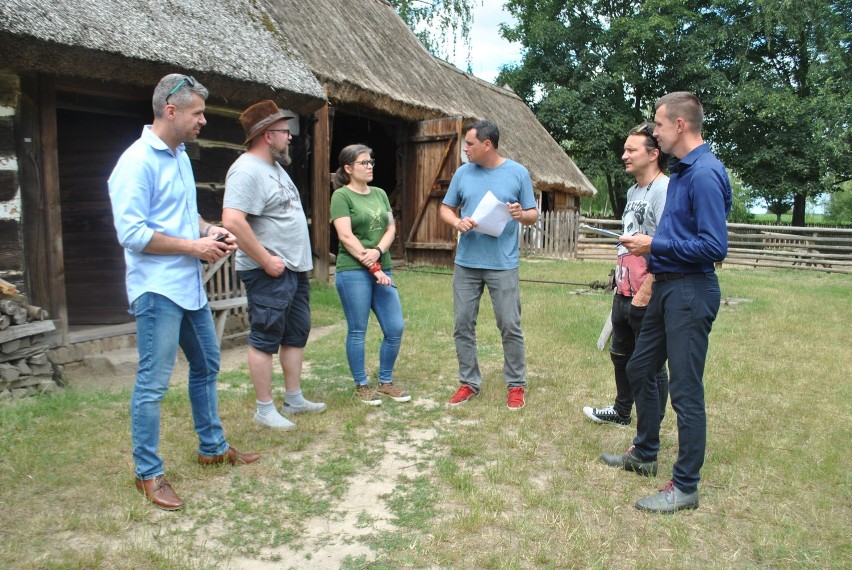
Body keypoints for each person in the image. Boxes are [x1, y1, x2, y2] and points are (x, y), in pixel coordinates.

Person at [108, 74, 260, 511]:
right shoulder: (135, 162)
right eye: (197, 113)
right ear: (170, 111)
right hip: (156, 289)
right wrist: (194, 247)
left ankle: (211, 448)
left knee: (207, 363)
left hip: (188, 286)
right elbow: (132, 233)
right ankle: (147, 474)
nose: (204, 121)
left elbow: (185, 215)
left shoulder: (179, 156)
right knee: (154, 383)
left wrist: (209, 230)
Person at [600, 92, 731, 513]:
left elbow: (714, 245)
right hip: (668, 285)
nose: (653, 131)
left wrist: (653, 243)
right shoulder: (682, 172)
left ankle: (686, 487)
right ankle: (644, 454)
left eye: (657, 124)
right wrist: (652, 258)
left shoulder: (706, 173)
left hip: (692, 290)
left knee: (686, 390)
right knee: (640, 366)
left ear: (679, 125)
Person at [222, 100, 326, 430]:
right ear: (268, 135)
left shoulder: (275, 167)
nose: (291, 137)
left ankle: (293, 399)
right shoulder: (246, 169)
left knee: (295, 333)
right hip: (267, 270)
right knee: (265, 336)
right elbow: (233, 221)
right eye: (285, 131)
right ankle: (264, 409)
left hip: (291, 268)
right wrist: (265, 259)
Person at [439, 120, 539, 410]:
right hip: (466, 263)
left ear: (487, 144)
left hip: (502, 264)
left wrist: (522, 214)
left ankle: (516, 385)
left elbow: (533, 214)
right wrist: (457, 221)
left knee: (509, 324)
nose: (465, 149)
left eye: (469, 144)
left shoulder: (518, 173)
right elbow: (445, 208)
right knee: (462, 325)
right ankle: (469, 383)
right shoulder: (463, 173)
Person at [583, 123, 670, 426]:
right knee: (620, 354)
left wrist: (648, 286)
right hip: (623, 290)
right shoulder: (634, 190)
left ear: (653, 154)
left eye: (631, 150)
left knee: (652, 363)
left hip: (648, 293)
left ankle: (652, 426)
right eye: (625, 149)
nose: (624, 155)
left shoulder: (664, 189)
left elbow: (667, 243)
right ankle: (622, 412)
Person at [330, 144, 410, 406]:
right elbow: (345, 235)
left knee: (395, 327)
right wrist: (371, 265)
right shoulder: (341, 196)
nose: (370, 166)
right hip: (353, 270)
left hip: (381, 264)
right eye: (364, 162)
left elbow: (390, 228)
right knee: (357, 329)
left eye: (371, 161)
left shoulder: (380, 194)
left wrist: (378, 252)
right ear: (348, 168)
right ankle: (361, 384)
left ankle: (385, 381)